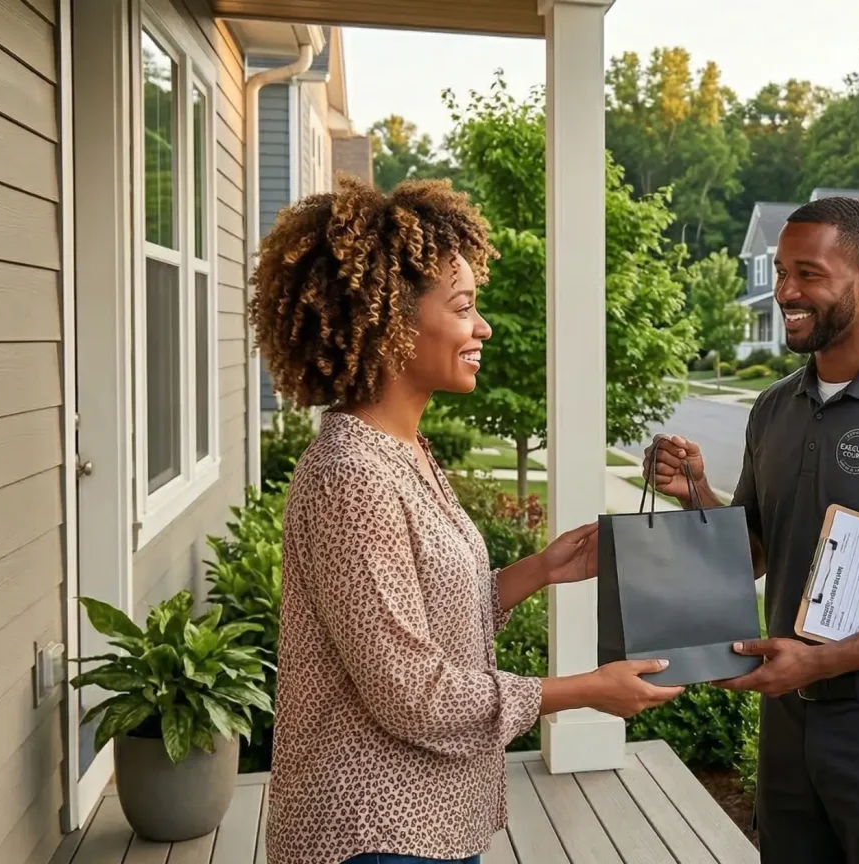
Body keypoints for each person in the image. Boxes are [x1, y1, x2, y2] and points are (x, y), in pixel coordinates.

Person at [250, 177, 683, 864]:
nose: (482, 327)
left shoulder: (404, 452)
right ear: (392, 320)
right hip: (371, 831)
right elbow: (412, 694)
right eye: (463, 307)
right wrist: (581, 693)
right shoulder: (350, 478)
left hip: (426, 820)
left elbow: (418, 618)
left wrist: (541, 571)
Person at [645, 196, 859, 864]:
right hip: (787, 724)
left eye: (808, 274)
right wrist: (696, 495)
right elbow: (751, 550)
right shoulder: (775, 409)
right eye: (781, 272)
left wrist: (822, 660)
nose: (785, 292)